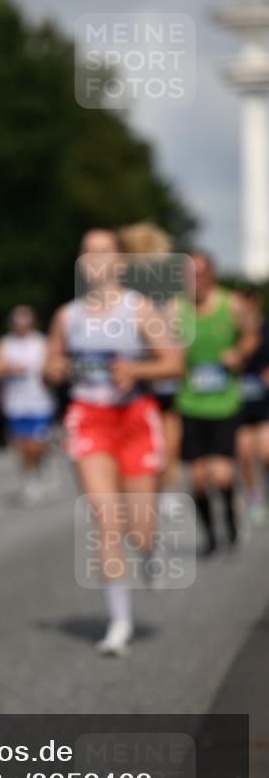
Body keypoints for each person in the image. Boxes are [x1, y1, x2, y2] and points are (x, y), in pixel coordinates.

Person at [46, 229, 182, 656]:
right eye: (88, 252)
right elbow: (50, 366)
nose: (96, 260)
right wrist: (62, 367)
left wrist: (136, 372)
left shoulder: (139, 309)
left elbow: (174, 362)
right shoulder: (67, 317)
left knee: (139, 530)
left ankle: (149, 547)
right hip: (89, 418)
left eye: (104, 252)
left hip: (136, 419)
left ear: (121, 264)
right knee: (107, 521)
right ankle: (119, 624)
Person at [173, 253, 258, 555]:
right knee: (196, 479)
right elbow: (163, 346)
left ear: (212, 275)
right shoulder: (176, 309)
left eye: (200, 274)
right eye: (189, 275)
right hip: (190, 403)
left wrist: (238, 353)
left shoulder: (231, 304)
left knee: (221, 474)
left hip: (225, 403)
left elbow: (250, 337)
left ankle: (233, 524)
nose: (195, 280)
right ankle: (210, 537)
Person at [118, 222, 183, 518]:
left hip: (159, 374)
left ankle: (167, 487)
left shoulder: (164, 294)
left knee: (165, 435)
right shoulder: (120, 292)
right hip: (130, 375)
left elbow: (176, 332)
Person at [0, 305, 56, 503]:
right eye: (17, 323)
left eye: (25, 322)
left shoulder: (43, 343)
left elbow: (55, 370)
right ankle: (30, 481)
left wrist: (50, 374)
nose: (21, 326)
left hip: (40, 401)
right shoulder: (4, 344)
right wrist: (8, 370)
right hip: (15, 403)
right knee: (23, 446)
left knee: (37, 445)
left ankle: (41, 464)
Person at [235, 287, 269, 526]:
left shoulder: (266, 330)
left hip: (263, 401)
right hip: (238, 402)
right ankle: (252, 496)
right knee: (245, 454)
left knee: (266, 453)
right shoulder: (231, 333)